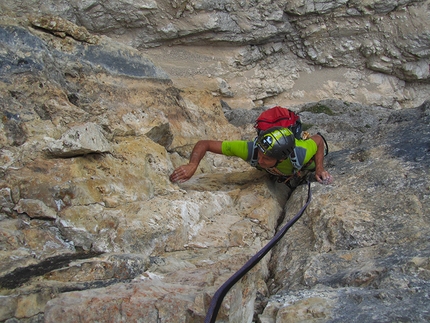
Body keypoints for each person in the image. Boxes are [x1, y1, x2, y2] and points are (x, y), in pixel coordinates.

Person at [169, 127, 332, 186]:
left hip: (298, 167)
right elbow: (204, 144)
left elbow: (318, 140)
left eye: (266, 159)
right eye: (260, 155)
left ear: (282, 158)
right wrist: (192, 165)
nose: (260, 160)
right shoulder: (251, 149)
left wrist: (319, 168)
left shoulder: (300, 153)